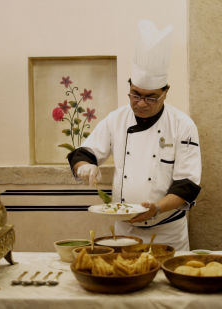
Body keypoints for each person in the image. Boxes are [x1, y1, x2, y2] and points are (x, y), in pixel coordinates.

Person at [68, 20, 201, 251]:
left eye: (151, 97)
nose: (141, 103)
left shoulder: (182, 125)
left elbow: (187, 185)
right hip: (124, 230)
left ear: (165, 93)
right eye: (135, 95)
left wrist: (157, 208)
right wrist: (84, 167)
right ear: (129, 87)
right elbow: (83, 153)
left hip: (167, 232)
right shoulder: (116, 119)